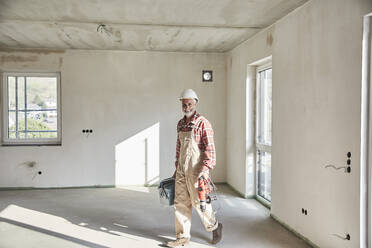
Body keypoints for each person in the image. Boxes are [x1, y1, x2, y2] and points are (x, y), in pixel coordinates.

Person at [167, 89, 222, 247]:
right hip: (182, 171)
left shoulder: (202, 123)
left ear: (195, 103)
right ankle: (182, 237)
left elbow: (209, 151)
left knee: (199, 202)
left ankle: (215, 226)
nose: (187, 106)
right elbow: (179, 149)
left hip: (197, 172)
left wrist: (205, 171)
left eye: (190, 103)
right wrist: (177, 167)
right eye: (184, 104)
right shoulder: (180, 124)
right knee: (181, 203)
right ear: (181, 104)